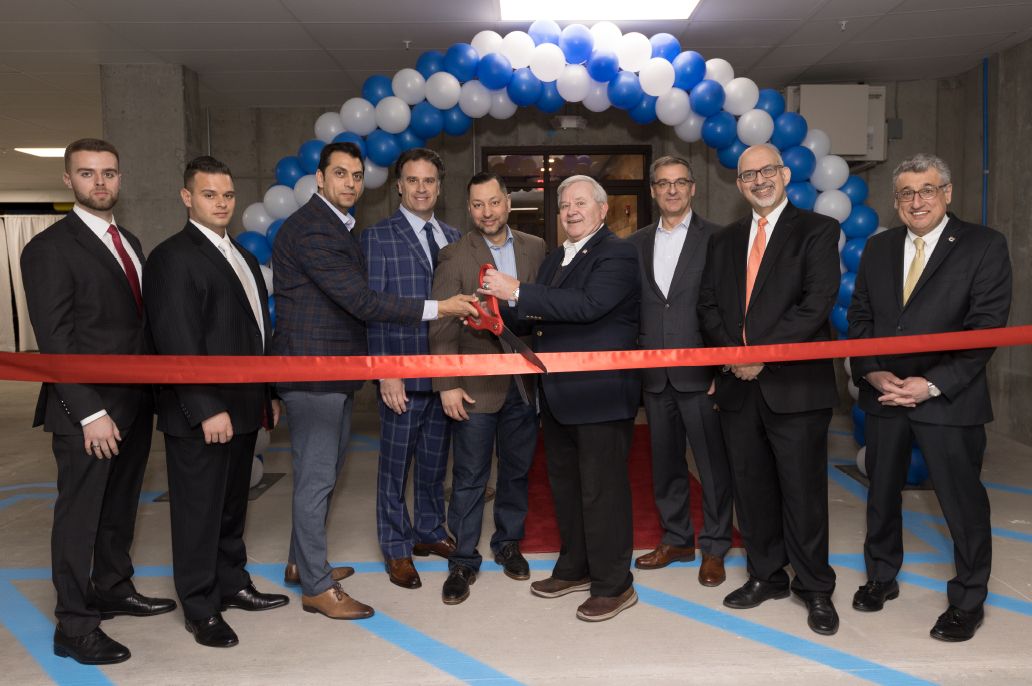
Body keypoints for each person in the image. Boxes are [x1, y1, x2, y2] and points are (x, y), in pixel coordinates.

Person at [271, 142, 476, 617]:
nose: (349, 183)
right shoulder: (341, 233)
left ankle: (304, 562)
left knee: (341, 471)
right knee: (324, 477)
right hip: (326, 371)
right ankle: (322, 584)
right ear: (320, 178)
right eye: (339, 174)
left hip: (396, 372)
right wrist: (386, 367)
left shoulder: (446, 235)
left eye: (356, 175)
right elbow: (365, 305)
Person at [21, 138, 175, 665]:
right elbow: (57, 339)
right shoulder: (48, 249)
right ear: (68, 181)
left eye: (109, 173)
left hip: (133, 404)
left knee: (118, 509)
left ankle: (112, 586)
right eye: (87, 174)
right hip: (86, 412)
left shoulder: (127, 240)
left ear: (120, 178)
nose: (100, 182)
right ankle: (74, 624)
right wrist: (89, 412)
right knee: (79, 517)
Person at [847, 153, 1011, 642]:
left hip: (948, 399)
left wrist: (931, 383)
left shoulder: (983, 245)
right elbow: (859, 319)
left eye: (927, 190)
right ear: (895, 200)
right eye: (906, 193)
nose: (916, 201)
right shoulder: (878, 249)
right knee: (880, 494)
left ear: (948, 193)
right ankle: (881, 576)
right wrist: (872, 374)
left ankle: (968, 599)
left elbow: (985, 327)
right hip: (885, 395)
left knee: (962, 504)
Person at [480, 174, 641, 622]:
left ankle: (614, 583)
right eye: (565, 204)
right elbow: (541, 319)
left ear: (602, 210)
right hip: (558, 394)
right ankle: (575, 566)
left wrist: (515, 291)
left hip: (601, 395)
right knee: (567, 488)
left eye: (581, 203)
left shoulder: (619, 254)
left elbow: (587, 306)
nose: (570, 210)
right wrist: (494, 316)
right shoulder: (556, 260)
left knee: (602, 492)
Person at [143, 156, 289, 648]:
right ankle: (201, 607)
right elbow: (177, 338)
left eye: (227, 195)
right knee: (197, 513)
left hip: (246, 406)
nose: (222, 203)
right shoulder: (171, 257)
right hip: (202, 413)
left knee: (230, 508)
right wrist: (206, 406)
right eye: (210, 195)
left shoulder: (242, 256)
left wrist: (268, 395)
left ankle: (232, 583)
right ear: (187, 198)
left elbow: (254, 333)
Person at [697, 144, 841, 635]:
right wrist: (736, 356)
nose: (758, 180)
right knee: (752, 490)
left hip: (795, 386)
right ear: (738, 185)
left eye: (767, 171)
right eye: (747, 174)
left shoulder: (818, 230)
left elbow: (815, 304)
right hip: (739, 388)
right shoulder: (724, 240)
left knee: (803, 493)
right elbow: (709, 307)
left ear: (784, 175)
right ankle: (766, 575)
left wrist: (760, 354)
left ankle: (816, 587)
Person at [429, 172, 546, 604]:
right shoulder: (454, 255)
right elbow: (441, 323)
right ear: (469, 208)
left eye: (494, 203)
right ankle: (462, 560)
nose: (487, 212)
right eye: (478, 205)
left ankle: (507, 544)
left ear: (508, 203)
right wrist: (447, 384)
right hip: (474, 387)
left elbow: (542, 311)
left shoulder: (535, 248)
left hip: (523, 386)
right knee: (469, 477)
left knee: (517, 471)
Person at [627, 155, 733, 586]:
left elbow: (728, 308)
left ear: (693, 188)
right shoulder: (634, 243)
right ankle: (676, 539)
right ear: (652, 191)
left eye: (680, 183)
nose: (671, 190)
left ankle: (715, 546)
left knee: (712, 465)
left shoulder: (720, 239)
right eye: (663, 183)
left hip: (700, 375)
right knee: (665, 464)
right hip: (654, 376)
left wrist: (721, 368)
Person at [361, 147, 463, 589]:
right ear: (398, 185)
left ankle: (428, 530)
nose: (421, 188)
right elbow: (373, 308)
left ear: (439, 187)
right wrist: (387, 370)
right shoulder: (377, 237)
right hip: (400, 372)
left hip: (442, 376)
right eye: (412, 181)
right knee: (394, 467)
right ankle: (397, 548)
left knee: (434, 465)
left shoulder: (455, 237)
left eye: (429, 181)